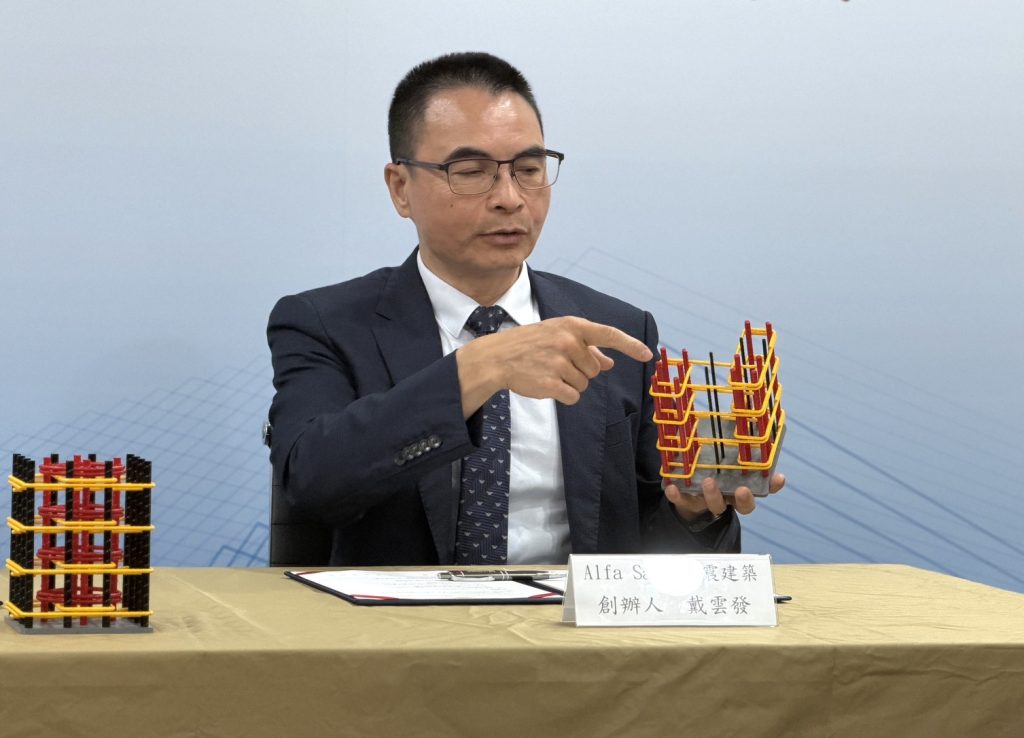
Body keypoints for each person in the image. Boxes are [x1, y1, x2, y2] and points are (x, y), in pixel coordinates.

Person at [267, 51, 783, 566]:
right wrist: (480, 366)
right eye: (472, 172)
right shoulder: (325, 324)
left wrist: (694, 514)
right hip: (402, 618)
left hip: (568, 617)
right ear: (401, 188)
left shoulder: (618, 330)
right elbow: (312, 482)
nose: (510, 198)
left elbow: (645, 547)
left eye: (529, 169)